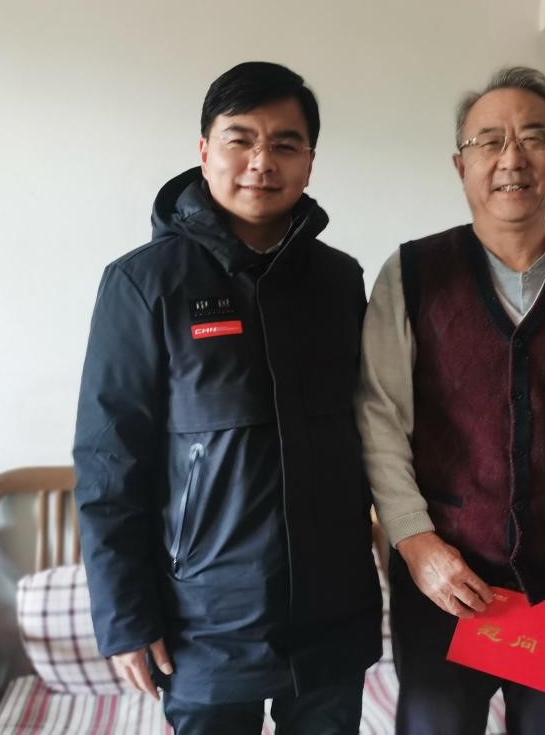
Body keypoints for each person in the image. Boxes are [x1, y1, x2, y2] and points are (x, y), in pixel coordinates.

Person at [73, 61, 381, 735]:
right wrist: (125, 618)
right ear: (205, 150)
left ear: (309, 161)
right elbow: (108, 463)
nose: (261, 162)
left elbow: (370, 429)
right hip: (204, 622)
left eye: (286, 144)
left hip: (333, 613)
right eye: (240, 139)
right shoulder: (143, 283)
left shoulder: (339, 281)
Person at [357, 65, 545, 735]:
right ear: (461, 166)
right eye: (489, 141)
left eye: (534, 137)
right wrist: (415, 542)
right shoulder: (412, 275)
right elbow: (378, 417)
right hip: (444, 578)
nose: (511, 158)